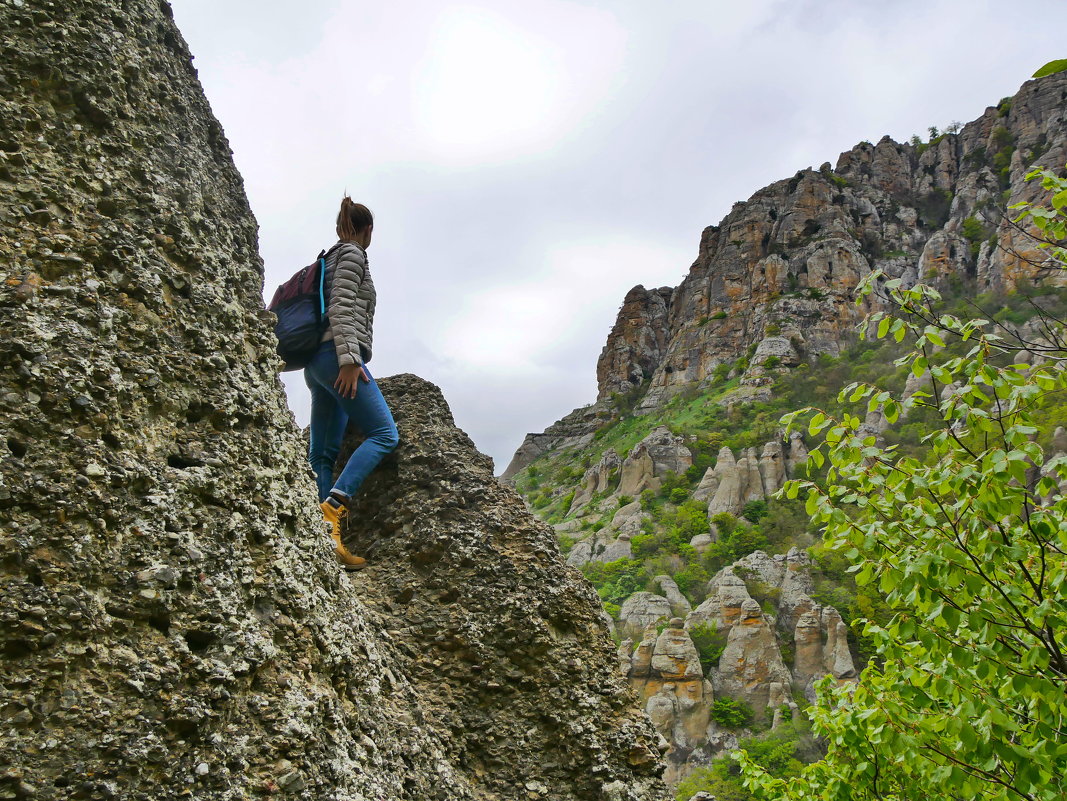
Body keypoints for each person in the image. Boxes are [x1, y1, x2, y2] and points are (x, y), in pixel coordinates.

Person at [304, 197, 399, 569]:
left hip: (316, 364)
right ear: (368, 230)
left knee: (323, 453)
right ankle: (333, 507)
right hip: (337, 360)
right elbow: (342, 305)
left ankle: (321, 536)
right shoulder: (353, 254)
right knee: (384, 434)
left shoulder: (327, 257)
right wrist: (349, 360)